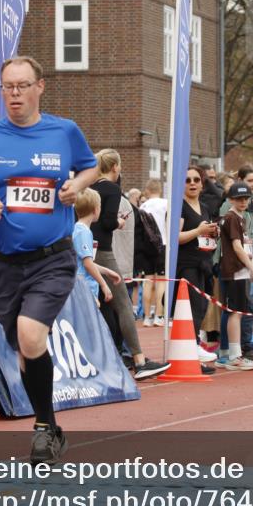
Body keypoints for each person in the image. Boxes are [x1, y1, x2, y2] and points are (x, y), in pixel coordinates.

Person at [0, 56, 99, 465]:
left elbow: (89, 168)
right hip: (3, 262)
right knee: (23, 347)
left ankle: (41, 430)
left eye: (21, 86)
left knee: (32, 334)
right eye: (7, 87)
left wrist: (75, 185)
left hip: (52, 258)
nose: (14, 95)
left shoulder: (64, 132)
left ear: (40, 87)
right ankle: (51, 425)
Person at [91, 150, 170, 378]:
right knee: (124, 304)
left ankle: (107, 355)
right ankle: (138, 359)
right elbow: (106, 222)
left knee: (102, 304)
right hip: (105, 252)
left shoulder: (90, 189)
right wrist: (118, 221)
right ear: (115, 166)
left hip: (87, 250)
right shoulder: (112, 189)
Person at [173, 165, 220, 373]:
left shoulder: (205, 207)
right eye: (187, 180)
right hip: (187, 265)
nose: (192, 183)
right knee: (190, 309)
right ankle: (190, 351)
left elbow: (204, 235)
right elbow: (176, 237)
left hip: (204, 263)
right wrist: (199, 230)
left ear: (202, 184)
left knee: (200, 308)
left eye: (196, 180)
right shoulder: (179, 207)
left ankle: (193, 349)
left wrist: (212, 233)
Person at [219, 182, 253, 370]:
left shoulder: (238, 218)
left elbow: (238, 245)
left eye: (246, 198)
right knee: (235, 313)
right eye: (239, 198)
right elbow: (236, 246)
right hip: (235, 271)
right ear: (230, 200)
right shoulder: (232, 218)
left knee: (235, 312)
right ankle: (234, 356)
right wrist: (252, 267)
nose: (243, 201)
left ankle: (230, 353)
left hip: (236, 270)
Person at [72, 188, 122, 303]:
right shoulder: (83, 232)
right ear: (95, 210)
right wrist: (104, 285)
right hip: (84, 287)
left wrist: (107, 272)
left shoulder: (77, 229)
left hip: (81, 286)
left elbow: (85, 263)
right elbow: (88, 264)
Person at [139, 178, 168, 325]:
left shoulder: (143, 205)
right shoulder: (166, 203)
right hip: (162, 244)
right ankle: (158, 315)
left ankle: (146, 317)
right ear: (160, 190)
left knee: (148, 281)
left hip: (146, 246)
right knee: (161, 281)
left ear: (147, 191)